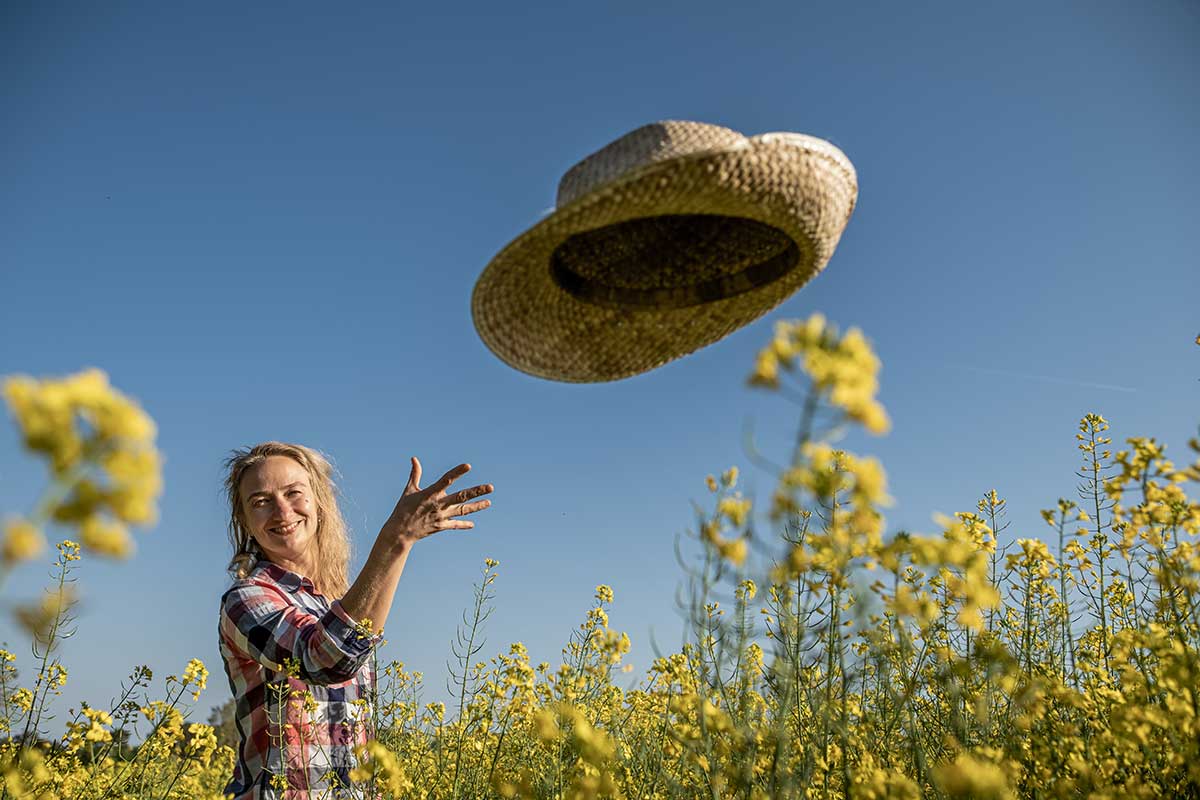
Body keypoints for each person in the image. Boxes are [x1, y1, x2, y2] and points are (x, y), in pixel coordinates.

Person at [217, 441, 493, 799]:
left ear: (319, 502)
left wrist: (403, 543)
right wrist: (395, 537)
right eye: (261, 502)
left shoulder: (334, 604)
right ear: (245, 520)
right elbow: (327, 661)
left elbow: (354, 732)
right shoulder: (246, 598)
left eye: (293, 493)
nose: (282, 510)